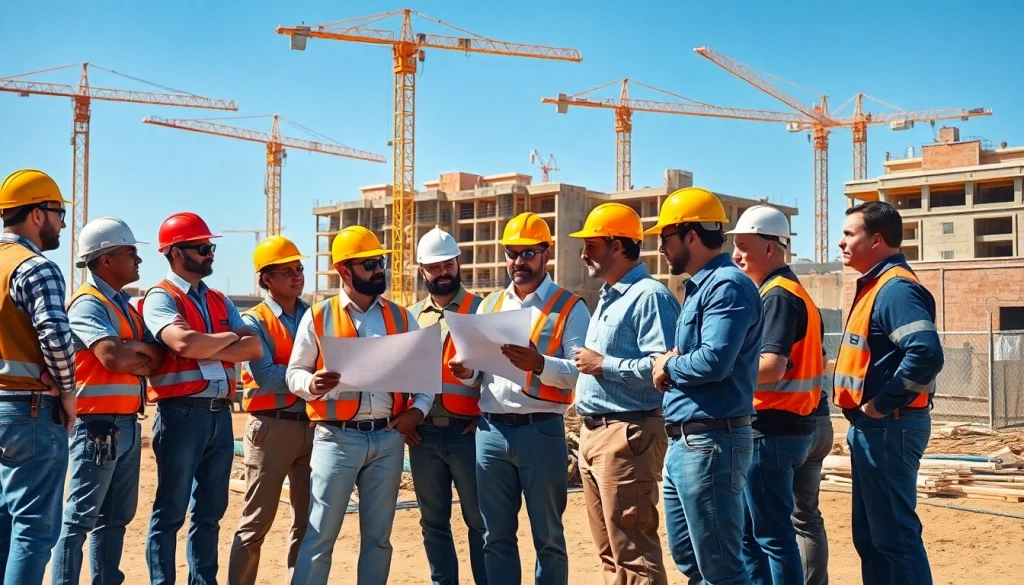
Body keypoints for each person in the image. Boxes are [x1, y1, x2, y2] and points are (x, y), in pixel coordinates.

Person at [286, 226, 432, 585]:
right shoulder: (318, 316)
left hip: (386, 439)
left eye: (379, 261)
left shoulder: (400, 317)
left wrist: (417, 412)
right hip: (336, 439)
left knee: (379, 539)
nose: (378, 268)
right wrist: (311, 384)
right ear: (344, 271)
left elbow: (426, 378)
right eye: (369, 263)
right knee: (319, 536)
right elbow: (294, 372)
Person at [450, 212, 589, 585]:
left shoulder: (570, 307)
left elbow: (581, 371)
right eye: (512, 253)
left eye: (528, 254)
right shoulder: (489, 305)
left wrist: (540, 363)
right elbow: (481, 368)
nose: (518, 262)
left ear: (546, 254)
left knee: (549, 538)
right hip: (491, 432)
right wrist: (468, 371)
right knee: (494, 536)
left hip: (540, 430)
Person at [647, 187, 762, 585]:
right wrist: (673, 362)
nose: (661, 248)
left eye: (665, 238)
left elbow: (714, 361)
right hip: (688, 441)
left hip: (712, 442)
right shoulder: (700, 287)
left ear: (690, 235)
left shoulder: (727, 286)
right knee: (692, 561)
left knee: (722, 568)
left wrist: (669, 365)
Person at [142, 212, 263, 585]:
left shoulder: (218, 298)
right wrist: (227, 340)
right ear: (177, 253)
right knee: (171, 511)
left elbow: (255, 346)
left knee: (211, 511)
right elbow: (181, 342)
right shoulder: (161, 296)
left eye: (210, 247)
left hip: (219, 416)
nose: (211, 253)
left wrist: (206, 343)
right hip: (181, 414)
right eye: (203, 247)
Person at [568, 203, 678, 585]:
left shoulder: (650, 296)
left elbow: (661, 368)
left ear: (617, 246)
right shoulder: (610, 295)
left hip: (628, 435)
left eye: (591, 245)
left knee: (633, 552)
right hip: (596, 434)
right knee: (610, 552)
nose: (584, 254)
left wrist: (603, 365)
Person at [835, 201, 943, 585]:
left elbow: (926, 353)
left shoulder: (895, 289)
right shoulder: (876, 285)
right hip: (876, 429)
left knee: (894, 539)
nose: (841, 242)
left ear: (877, 240)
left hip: (889, 427)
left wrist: (880, 406)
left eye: (850, 234)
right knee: (872, 539)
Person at [51, 217, 164, 585]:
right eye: (131, 252)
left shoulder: (126, 307)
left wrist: (137, 350)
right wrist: (136, 353)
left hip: (126, 425)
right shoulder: (88, 304)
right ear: (105, 260)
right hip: (96, 427)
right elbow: (113, 358)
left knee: (116, 518)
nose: (138, 260)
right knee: (79, 519)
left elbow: (159, 358)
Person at [728, 205, 824, 585]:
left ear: (771, 248)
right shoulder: (786, 290)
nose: (736, 255)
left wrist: (721, 375)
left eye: (743, 246)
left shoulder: (778, 295)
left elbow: (771, 366)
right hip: (791, 426)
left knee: (768, 537)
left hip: (773, 429)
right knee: (763, 534)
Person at [0, 169, 76, 585]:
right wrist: (68, 393)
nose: (63, 223)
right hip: (29, 410)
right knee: (33, 528)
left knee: (2, 523)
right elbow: (56, 337)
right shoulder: (36, 267)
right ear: (36, 215)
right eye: (59, 212)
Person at [228, 235, 313, 585]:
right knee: (256, 521)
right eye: (287, 271)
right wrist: (312, 378)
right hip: (271, 429)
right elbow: (265, 375)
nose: (297, 276)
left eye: (299, 268)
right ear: (266, 279)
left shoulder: (314, 314)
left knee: (308, 521)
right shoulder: (255, 321)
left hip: (313, 426)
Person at [407, 227, 488, 585]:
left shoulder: (482, 310)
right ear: (422, 271)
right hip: (422, 437)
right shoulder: (409, 317)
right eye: (435, 267)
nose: (443, 272)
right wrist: (403, 418)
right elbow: (399, 373)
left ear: (459, 263)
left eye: (449, 264)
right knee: (432, 522)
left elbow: (500, 371)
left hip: (468, 433)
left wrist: (485, 415)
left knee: (480, 520)